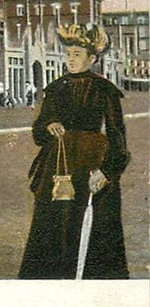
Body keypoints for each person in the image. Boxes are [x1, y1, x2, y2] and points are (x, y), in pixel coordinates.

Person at [18, 24, 130, 279]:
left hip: (92, 168)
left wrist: (106, 171)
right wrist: (49, 126)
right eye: (68, 54)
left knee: (96, 236)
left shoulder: (105, 90)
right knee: (53, 230)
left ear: (92, 58)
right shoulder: (56, 88)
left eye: (77, 54)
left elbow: (117, 137)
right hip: (58, 170)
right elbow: (37, 133)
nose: (70, 59)